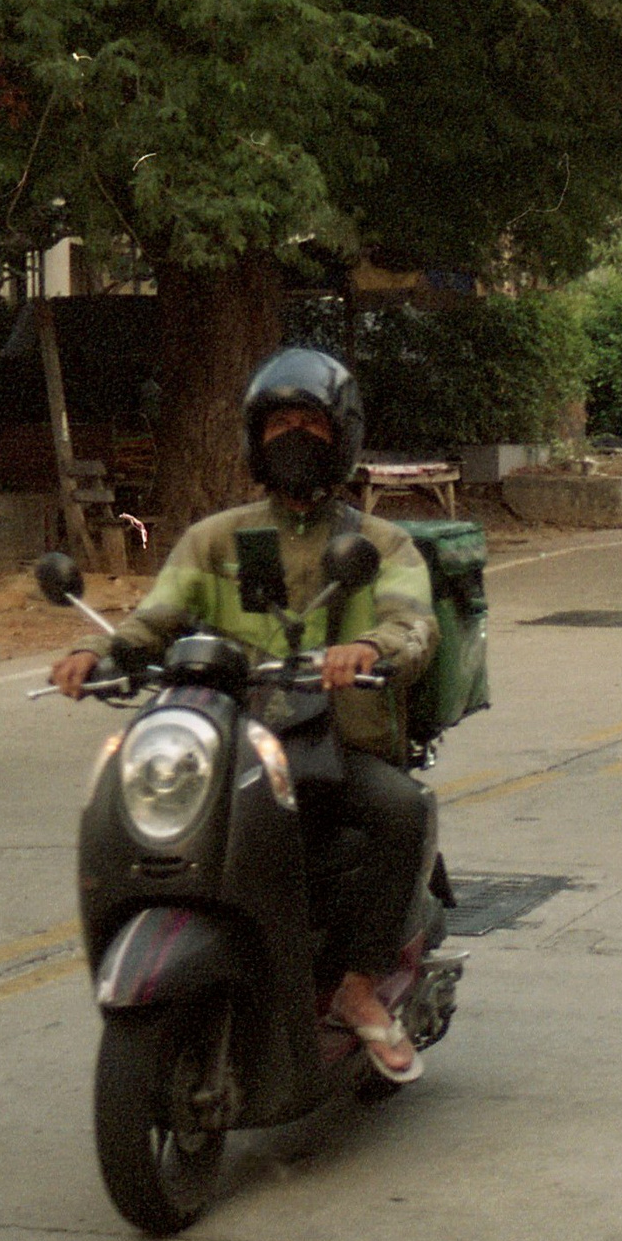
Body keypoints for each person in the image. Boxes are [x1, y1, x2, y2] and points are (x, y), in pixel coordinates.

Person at [48, 348, 439, 1082]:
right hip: (226, 737)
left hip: (331, 742)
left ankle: (358, 986)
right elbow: (156, 618)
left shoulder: (380, 544)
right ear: (255, 437)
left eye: (312, 423)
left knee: (404, 809)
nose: (294, 436)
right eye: (279, 422)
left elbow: (414, 625)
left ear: (342, 436)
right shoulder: (215, 538)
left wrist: (365, 647)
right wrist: (97, 655)